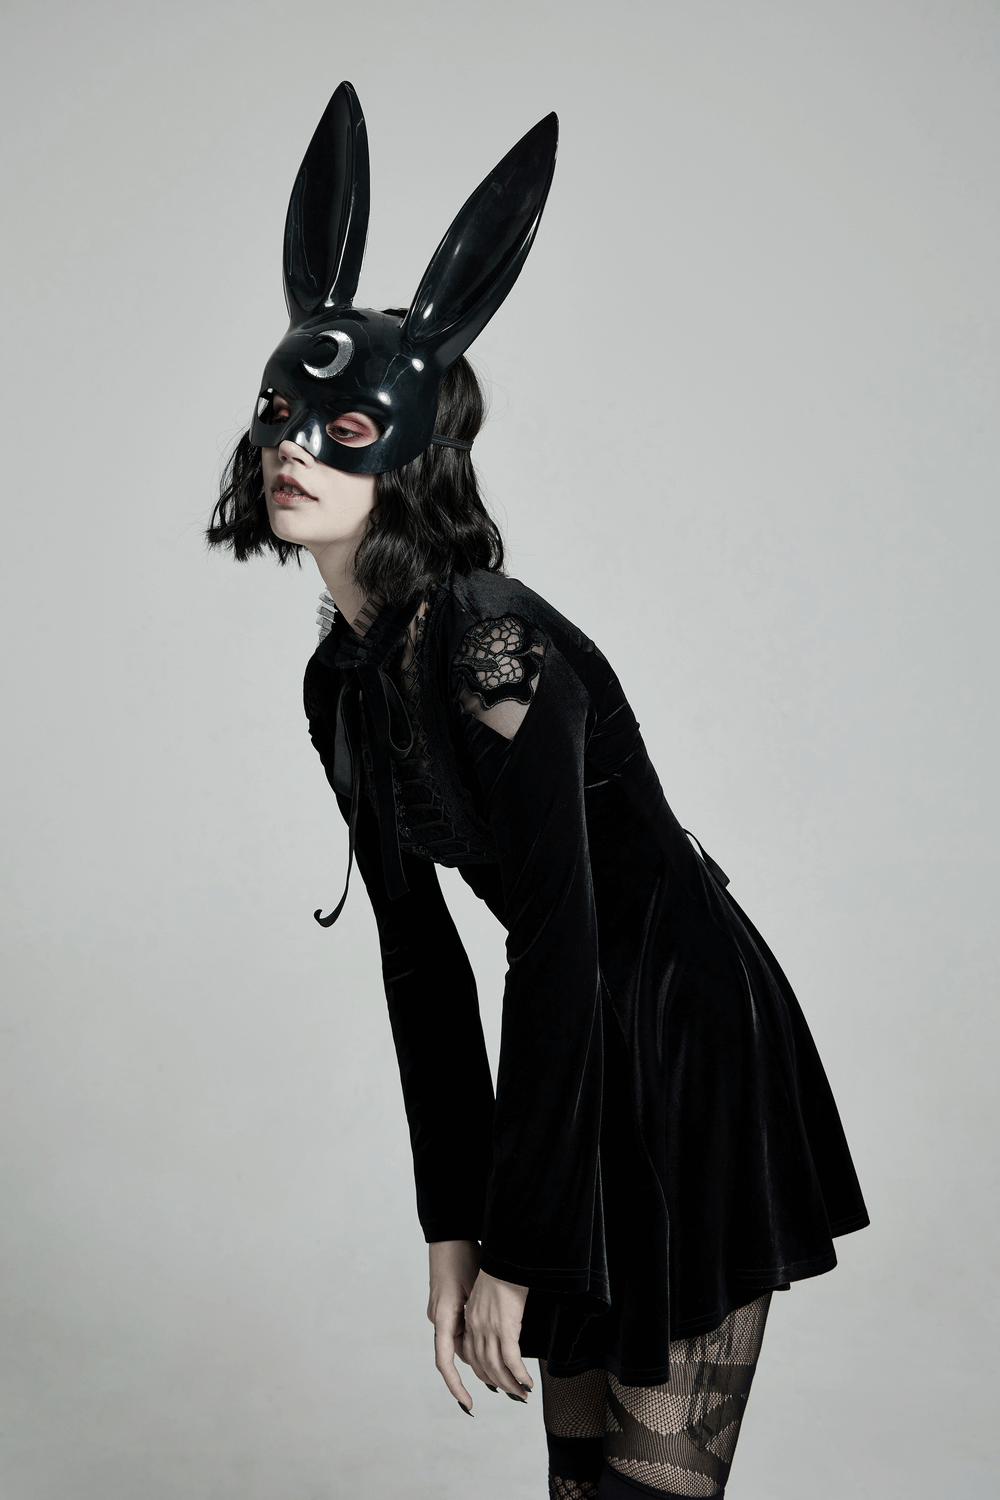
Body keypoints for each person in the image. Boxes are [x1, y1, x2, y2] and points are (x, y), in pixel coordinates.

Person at [207, 83, 869, 1500]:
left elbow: (556, 949)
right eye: (280, 415)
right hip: (574, 1069)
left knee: (640, 1491)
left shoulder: (489, 645)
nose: (294, 447)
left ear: (415, 452)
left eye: (340, 428)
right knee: (584, 1494)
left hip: (681, 1043)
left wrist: (526, 1248)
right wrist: (455, 1228)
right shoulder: (344, 679)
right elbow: (419, 960)